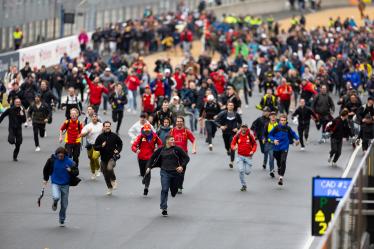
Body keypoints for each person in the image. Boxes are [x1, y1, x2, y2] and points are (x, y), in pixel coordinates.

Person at [145, 135, 190, 216]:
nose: (174, 141)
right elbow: (152, 157)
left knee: (174, 191)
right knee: (165, 189)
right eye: (172, 140)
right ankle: (164, 207)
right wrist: (149, 167)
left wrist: (181, 166)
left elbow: (187, 158)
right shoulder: (161, 149)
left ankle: (174, 190)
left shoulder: (177, 149)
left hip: (175, 173)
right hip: (164, 172)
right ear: (167, 141)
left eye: (174, 140)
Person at [42, 147, 78, 227]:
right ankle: (55, 203)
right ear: (57, 154)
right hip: (55, 183)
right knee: (56, 197)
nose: (60, 157)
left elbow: (76, 172)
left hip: (65, 184)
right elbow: (46, 169)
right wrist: (45, 179)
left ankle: (62, 219)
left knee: (64, 205)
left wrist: (71, 170)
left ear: (65, 155)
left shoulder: (69, 161)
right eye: (59, 156)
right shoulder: (52, 160)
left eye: (62, 156)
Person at [131, 123, 162, 195]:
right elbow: (133, 146)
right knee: (143, 173)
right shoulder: (140, 137)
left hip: (150, 157)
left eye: (148, 131)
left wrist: (157, 148)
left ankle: (146, 187)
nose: (147, 132)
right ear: (143, 130)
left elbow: (160, 144)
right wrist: (136, 150)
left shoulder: (154, 136)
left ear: (150, 130)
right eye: (146, 131)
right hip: (141, 157)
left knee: (148, 171)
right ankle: (144, 177)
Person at [268, 114, 299, 186]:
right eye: (281, 120)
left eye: (284, 120)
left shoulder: (288, 128)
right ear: (279, 120)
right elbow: (270, 135)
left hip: (285, 147)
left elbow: (294, 134)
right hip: (276, 147)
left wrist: (297, 139)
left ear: (286, 121)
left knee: (283, 160)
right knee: (279, 161)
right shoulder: (276, 128)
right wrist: (274, 140)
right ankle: (279, 167)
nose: (283, 122)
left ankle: (281, 177)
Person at [94, 121, 123, 195]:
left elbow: (120, 143)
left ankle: (113, 180)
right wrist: (101, 146)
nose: (107, 127)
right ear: (103, 127)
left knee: (109, 168)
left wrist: (118, 150)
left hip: (112, 157)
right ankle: (109, 188)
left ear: (110, 127)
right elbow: (95, 147)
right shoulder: (100, 137)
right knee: (106, 175)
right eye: (106, 126)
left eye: (108, 126)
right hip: (103, 158)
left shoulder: (114, 136)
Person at [169, 116, 196, 193]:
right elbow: (168, 141)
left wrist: (194, 148)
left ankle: (180, 186)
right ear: (176, 122)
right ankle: (173, 184)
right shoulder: (172, 131)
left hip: (183, 155)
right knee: (172, 170)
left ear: (183, 122)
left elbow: (193, 140)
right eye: (178, 121)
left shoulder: (186, 131)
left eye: (181, 121)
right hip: (173, 154)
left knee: (181, 171)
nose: (179, 122)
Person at [215, 102, 242, 168]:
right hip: (225, 133)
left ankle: (231, 162)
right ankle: (228, 150)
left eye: (232, 105)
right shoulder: (223, 113)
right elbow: (215, 121)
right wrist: (220, 126)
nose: (230, 106)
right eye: (229, 105)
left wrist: (237, 128)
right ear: (227, 106)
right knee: (227, 146)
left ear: (233, 106)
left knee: (232, 147)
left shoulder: (236, 114)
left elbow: (240, 123)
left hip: (233, 133)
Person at [230, 124, 257, 191]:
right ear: (241, 128)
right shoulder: (237, 136)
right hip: (240, 156)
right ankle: (243, 185)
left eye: (245, 127)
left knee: (247, 172)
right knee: (241, 170)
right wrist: (234, 147)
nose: (244, 129)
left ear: (247, 128)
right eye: (242, 127)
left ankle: (246, 166)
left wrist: (252, 151)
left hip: (248, 157)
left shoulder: (250, 135)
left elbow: (255, 144)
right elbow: (232, 144)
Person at [80, 113, 103, 180]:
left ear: (97, 118)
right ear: (91, 118)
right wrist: (87, 132)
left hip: (98, 145)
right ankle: (93, 173)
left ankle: (98, 169)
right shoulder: (88, 126)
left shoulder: (101, 125)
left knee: (95, 157)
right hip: (90, 145)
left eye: (95, 116)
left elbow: (107, 130)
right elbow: (82, 135)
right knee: (91, 159)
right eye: (93, 117)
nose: (94, 118)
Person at [262, 111, 278, 177]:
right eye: (272, 115)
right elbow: (265, 134)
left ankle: (279, 167)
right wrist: (264, 138)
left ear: (276, 117)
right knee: (271, 156)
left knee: (278, 157)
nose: (273, 116)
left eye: (274, 115)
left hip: (278, 143)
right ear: (269, 117)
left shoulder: (279, 124)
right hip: (270, 143)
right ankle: (271, 170)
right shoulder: (267, 125)